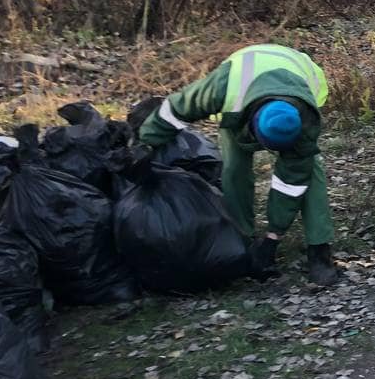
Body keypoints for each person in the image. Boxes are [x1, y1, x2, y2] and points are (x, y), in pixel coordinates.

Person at [134, 44, 338, 286]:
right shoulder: (223, 87)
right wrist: (144, 143)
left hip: (296, 97)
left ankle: (319, 251)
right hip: (241, 95)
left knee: (308, 172)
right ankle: (241, 240)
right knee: (234, 170)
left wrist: (273, 238)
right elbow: (175, 108)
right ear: (252, 122)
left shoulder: (304, 120)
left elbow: (290, 184)